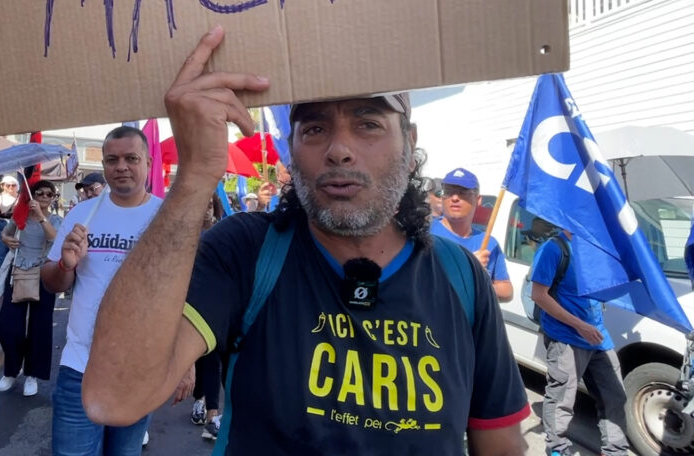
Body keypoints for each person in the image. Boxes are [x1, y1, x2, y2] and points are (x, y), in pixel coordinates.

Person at [82, 27, 529, 455]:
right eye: (314, 128)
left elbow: (503, 444)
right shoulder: (248, 250)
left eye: (368, 123)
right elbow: (114, 397)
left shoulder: (460, 276)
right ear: (291, 149)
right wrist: (195, 177)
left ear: (409, 143)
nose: (339, 149)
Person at [40, 126, 186, 456]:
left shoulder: (168, 218)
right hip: (80, 368)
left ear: (148, 162)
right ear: (104, 165)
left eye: (131, 158)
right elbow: (51, 282)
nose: (121, 166)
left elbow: (181, 295)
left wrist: (184, 362)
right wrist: (65, 265)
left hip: (137, 371)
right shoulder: (81, 215)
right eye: (112, 159)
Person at [531, 229, 629, 456]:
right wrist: (579, 325)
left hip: (597, 337)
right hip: (566, 337)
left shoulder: (593, 247)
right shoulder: (553, 248)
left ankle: (615, 450)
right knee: (562, 399)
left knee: (614, 395)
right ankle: (558, 449)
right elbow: (539, 295)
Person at [0, 179, 63, 396]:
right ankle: (11, 371)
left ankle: (32, 374)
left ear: (53, 198)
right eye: (39, 193)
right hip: (18, 273)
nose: (43, 197)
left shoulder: (56, 220)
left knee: (40, 327)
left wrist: (41, 217)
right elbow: (6, 232)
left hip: (44, 275)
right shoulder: (21, 217)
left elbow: (56, 239)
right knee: (8, 326)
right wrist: (7, 239)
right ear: (31, 195)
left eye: (48, 194)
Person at [429, 168, 513, 302]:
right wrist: (468, 267)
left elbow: (506, 292)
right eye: (448, 192)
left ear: (478, 199)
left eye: (463, 193)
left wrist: (480, 283)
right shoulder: (423, 233)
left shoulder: (489, 243)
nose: (455, 198)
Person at [190, 195, 225, 440]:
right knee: (196, 359)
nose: (206, 210)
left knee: (212, 359)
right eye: (202, 205)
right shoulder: (185, 235)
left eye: (210, 205)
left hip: (215, 306)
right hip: (187, 305)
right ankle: (199, 400)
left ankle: (212, 415)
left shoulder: (224, 234)